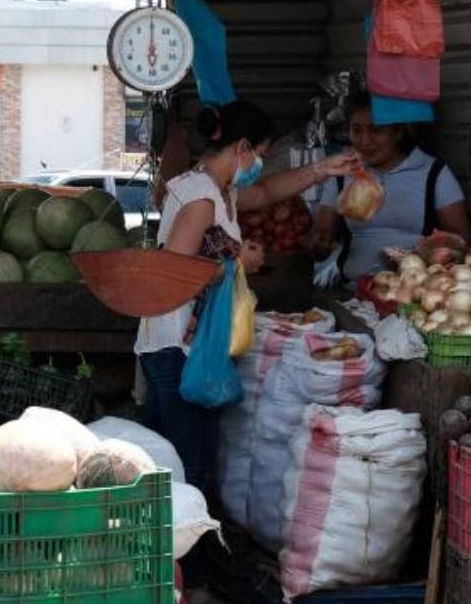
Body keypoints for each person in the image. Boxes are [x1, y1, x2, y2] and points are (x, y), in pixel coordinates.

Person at [135, 100, 359, 493]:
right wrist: (239, 263)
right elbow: (174, 271)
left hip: (191, 346)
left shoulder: (221, 190)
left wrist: (323, 169)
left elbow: (267, 191)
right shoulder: (200, 198)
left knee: (190, 458)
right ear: (241, 147)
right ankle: (186, 532)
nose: (260, 163)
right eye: (259, 154)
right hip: (174, 347)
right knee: (185, 466)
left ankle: (189, 529)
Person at [312, 92, 471, 284]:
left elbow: (460, 242)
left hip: (413, 289)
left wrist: (425, 253)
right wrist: (319, 242)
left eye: (376, 130)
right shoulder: (342, 172)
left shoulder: (434, 173)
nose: (364, 141)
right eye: (356, 130)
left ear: (399, 132)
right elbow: (321, 235)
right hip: (352, 288)